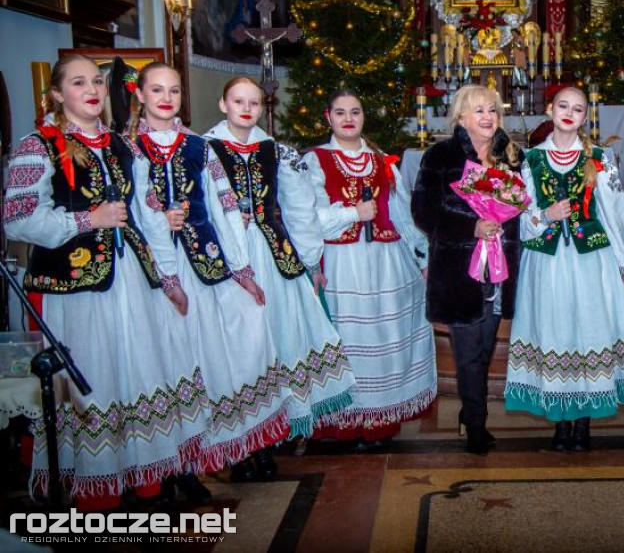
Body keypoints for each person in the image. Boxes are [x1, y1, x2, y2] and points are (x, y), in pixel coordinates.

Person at [3, 55, 202, 509]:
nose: (91, 89)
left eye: (96, 80)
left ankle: (146, 478)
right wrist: (86, 218)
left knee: (138, 371)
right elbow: (17, 219)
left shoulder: (122, 145)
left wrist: (168, 277)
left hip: (132, 280)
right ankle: (99, 490)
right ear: (57, 94)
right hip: (78, 290)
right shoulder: (40, 146)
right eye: (78, 82)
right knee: (95, 376)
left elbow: (149, 213)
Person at [130, 63, 290, 482]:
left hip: (208, 260)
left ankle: (242, 443)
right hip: (154, 269)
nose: (167, 98)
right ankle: (178, 469)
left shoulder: (200, 147)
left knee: (239, 345)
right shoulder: (127, 147)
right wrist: (160, 235)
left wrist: (241, 269)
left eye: (175, 91)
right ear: (140, 95)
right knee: (175, 361)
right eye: (158, 90)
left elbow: (225, 207)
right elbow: (131, 209)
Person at [206, 77, 358, 440]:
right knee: (241, 347)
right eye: (238, 101)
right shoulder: (205, 149)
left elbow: (299, 209)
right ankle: (242, 439)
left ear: (262, 107)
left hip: (273, 256)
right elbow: (197, 205)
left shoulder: (276, 151)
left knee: (280, 336)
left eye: (254, 103)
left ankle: (274, 432)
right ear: (223, 104)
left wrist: (310, 260)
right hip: (227, 258)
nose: (246, 109)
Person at [504, 87, 624, 451]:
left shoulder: (599, 157)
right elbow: (520, 217)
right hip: (546, 262)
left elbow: (614, 212)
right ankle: (560, 422)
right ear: (550, 109)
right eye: (563, 106)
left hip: (589, 259)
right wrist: (544, 216)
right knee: (555, 331)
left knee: (587, 330)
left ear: (585, 117)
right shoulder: (531, 159)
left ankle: (582, 422)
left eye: (577, 109)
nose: (569, 113)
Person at [302, 89, 436, 447]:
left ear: (364, 117)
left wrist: (421, 256)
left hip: (387, 260)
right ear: (327, 117)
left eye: (356, 112)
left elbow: (403, 213)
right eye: (340, 112)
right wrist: (352, 214)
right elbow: (308, 218)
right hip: (343, 263)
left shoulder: (381, 161)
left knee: (387, 338)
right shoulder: (316, 161)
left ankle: (380, 423)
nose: (348, 118)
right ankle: (345, 424)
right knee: (349, 341)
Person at [411, 85, 526, 455]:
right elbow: (423, 212)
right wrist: (471, 226)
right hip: (459, 270)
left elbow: (523, 205)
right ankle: (476, 424)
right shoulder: (440, 155)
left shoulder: (511, 154)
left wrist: (503, 218)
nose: (488, 117)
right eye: (478, 111)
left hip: (499, 266)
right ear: (461, 116)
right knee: (468, 351)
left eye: (492, 110)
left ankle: (470, 414)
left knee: (486, 348)